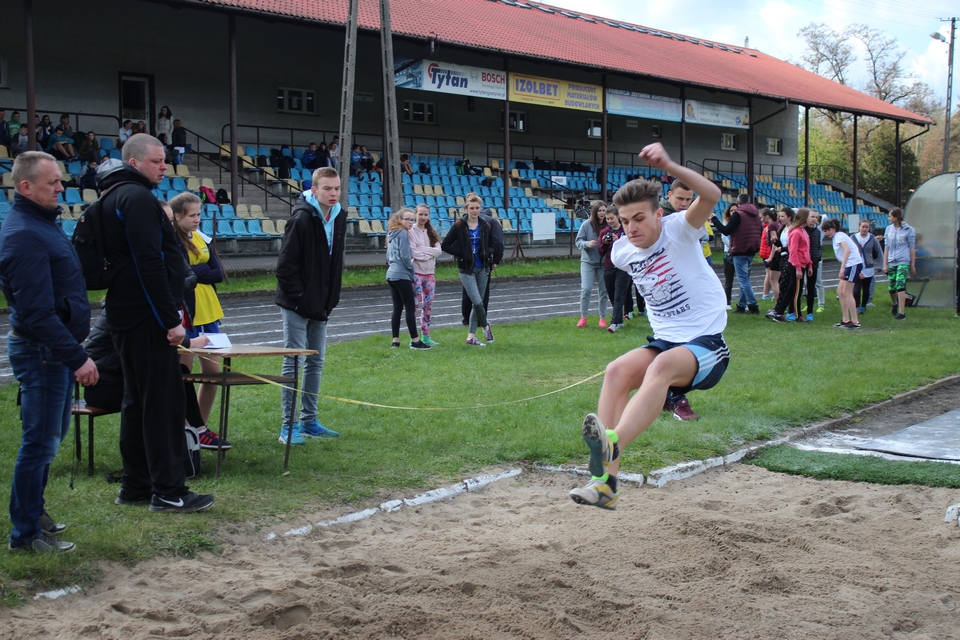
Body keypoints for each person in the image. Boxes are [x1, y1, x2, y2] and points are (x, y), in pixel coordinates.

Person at [569, 143, 725, 510]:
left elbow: (712, 194)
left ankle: (611, 443)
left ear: (659, 214)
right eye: (624, 221)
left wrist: (670, 165)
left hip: (707, 345)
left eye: (639, 218)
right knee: (616, 370)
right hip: (665, 341)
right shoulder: (622, 251)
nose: (631, 228)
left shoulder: (681, 229)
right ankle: (604, 484)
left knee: (661, 367)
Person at [98, 133, 214, 512]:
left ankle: (136, 485)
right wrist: (171, 320)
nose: (164, 166)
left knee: (138, 401)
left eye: (164, 160)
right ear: (134, 163)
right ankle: (168, 490)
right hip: (147, 319)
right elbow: (150, 264)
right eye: (156, 161)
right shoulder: (137, 200)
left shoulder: (112, 196)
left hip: (127, 314)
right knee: (162, 404)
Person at [0, 152, 98, 553]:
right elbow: (36, 312)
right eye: (52, 182)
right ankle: (24, 536)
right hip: (42, 352)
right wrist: (77, 357)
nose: (61, 187)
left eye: (61, 180)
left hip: (53, 349)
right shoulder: (24, 233)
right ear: (25, 187)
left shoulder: (43, 224)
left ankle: (33, 511)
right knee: (39, 442)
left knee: (49, 439)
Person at [275, 166, 346, 444]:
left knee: (316, 361)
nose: (333, 193)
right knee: (294, 361)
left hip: (322, 303)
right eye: (327, 188)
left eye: (337, 188)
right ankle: (288, 426)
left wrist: (329, 298)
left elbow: (334, 263)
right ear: (314, 190)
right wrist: (302, 298)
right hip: (297, 303)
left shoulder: (339, 217)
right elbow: (285, 267)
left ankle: (309, 420)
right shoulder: (302, 218)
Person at [169, 192, 229, 448]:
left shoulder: (201, 237)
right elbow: (183, 273)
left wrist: (197, 272)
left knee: (213, 372)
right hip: (188, 309)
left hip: (209, 308)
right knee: (185, 372)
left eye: (198, 215)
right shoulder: (172, 240)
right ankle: (185, 428)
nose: (197, 220)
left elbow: (216, 272)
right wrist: (197, 272)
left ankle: (200, 426)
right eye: (192, 215)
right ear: (178, 216)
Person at [442, 193, 497, 346]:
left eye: (477, 208)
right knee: (478, 302)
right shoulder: (459, 224)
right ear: (466, 208)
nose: (474, 211)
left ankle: (471, 336)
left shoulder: (486, 225)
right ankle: (486, 326)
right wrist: (462, 254)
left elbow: (493, 244)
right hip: (466, 269)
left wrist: (488, 254)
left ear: (480, 209)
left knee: (476, 304)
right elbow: (445, 244)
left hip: (482, 268)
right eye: (471, 208)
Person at [386, 209, 431, 350]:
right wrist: (411, 271)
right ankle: (416, 340)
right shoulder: (403, 233)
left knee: (397, 308)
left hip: (391, 273)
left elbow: (388, 256)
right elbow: (405, 256)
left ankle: (395, 340)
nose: (411, 222)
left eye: (412, 220)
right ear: (399, 219)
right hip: (401, 274)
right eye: (407, 219)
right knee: (410, 307)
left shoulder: (391, 233)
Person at [710, 198, 762, 314]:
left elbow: (726, 230)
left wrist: (714, 219)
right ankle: (741, 305)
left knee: (743, 280)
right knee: (745, 279)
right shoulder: (755, 215)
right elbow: (760, 229)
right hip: (751, 249)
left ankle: (753, 305)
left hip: (740, 249)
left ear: (738, 203)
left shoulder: (738, 215)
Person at [459, 206, 504, 327]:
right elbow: (498, 242)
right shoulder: (492, 222)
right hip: (483, 263)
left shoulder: (463, 220)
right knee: (482, 293)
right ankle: (480, 320)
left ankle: (466, 319)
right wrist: (496, 260)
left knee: (468, 291)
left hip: (466, 263)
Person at [409, 204, 442, 346]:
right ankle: (413, 336)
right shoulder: (410, 232)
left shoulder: (431, 232)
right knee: (414, 305)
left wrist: (423, 250)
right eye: (420, 214)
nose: (423, 217)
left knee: (428, 305)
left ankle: (426, 335)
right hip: (416, 273)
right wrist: (429, 251)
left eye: (425, 215)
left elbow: (438, 251)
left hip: (430, 274)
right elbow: (414, 252)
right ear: (415, 214)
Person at [821, 218, 863, 329]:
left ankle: (855, 321)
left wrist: (843, 268)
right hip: (850, 264)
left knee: (847, 292)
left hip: (852, 263)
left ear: (833, 228)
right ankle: (845, 319)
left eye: (828, 230)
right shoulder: (836, 237)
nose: (827, 233)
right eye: (825, 231)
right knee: (840, 291)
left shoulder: (839, 236)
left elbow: (847, 250)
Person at [575, 200, 611, 328]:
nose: (602, 213)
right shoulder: (586, 225)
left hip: (603, 262)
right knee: (586, 289)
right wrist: (586, 244)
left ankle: (602, 318)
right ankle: (583, 317)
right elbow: (578, 241)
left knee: (603, 291)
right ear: (595, 212)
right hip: (588, 262)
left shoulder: (609, 225)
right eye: (600, 211)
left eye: (604, 211)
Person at [597, 204, 631, 332]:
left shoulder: (626, 230)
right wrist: (605, 243)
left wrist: (619, 240)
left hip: (623, 266)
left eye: (612, 218)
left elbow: (632, 247)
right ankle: (620, 320)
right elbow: (600, 252)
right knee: (611, 293)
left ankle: (614, 322)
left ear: (618, 217)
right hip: (609, 266)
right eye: (607, 219)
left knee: (619, 295)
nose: (610, 221)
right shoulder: (604, 232)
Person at [883, 207, 916, 320]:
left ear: (896, 217)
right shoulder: (888, 229)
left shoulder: (908, 229)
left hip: (903, 260)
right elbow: (886, 247)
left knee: (900, 283)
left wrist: (912, 264)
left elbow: (912, 248)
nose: (889, 218)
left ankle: (901, 312)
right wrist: (885, 264)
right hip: (892, 260)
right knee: (892, 286)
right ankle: (895, 303)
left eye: (890, 216)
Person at [786, 208, 813, 322]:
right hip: (797, 265)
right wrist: (798, 267)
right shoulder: (796, 232)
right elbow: (793, 251)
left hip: (803, 264)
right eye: (810, 217)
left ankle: (794, 312)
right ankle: (797, 314)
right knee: (797, 291)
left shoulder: (803, 231)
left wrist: (810, 264)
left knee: (798, 290)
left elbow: (806, 250)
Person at [853, 219, 882, 314]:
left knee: (866, 288)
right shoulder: (853, 237)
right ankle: (856, 307)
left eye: (867, 227)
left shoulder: (872, 238)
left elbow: (879, 252)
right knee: (856, 288)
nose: (865, 229)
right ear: (859, 227)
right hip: (856, 266)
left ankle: (863, 306)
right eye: (863, 227)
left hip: (868, 267)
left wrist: (880, 265)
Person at [718, 203, 737, 309]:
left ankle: (743, 302)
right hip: (728, 252)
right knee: (728, 279)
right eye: (732, 210)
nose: (734, 212)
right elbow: (724, 237)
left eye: (736, 210)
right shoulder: (726, 222)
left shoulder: (740, 222)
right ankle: (727, 302)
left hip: (738, 252)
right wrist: (732, 247)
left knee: (742, 279)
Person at [808, 210, 826, 312]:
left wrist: (817, 258)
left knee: (818, 281)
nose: (814, 219)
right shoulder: (804, 230)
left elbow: (817, 247)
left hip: (816, 260)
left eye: (816, 217)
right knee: (806, 282)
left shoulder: (818, 231)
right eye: (812, 217)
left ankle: (821, 304)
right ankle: (808, 302)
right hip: (806, 259)